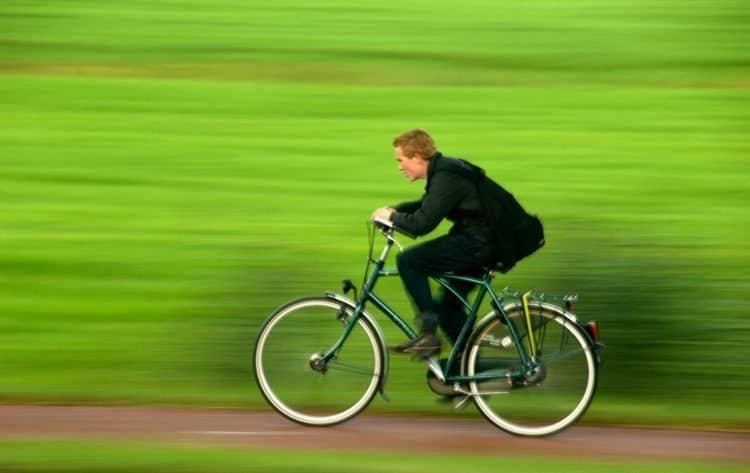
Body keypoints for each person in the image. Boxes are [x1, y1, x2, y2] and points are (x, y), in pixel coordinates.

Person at [371, 129, 496, 358]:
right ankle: (467, 371)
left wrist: (391, 218)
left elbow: (422, 224)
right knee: (448, 308)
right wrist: (396, 210)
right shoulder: (444, 172)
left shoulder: (446, 176)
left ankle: (428, 335)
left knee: (409, 261)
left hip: (478, 242)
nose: (399, 167)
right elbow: (428, 205)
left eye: (401, 160)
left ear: (417, 157)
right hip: (486, 242)